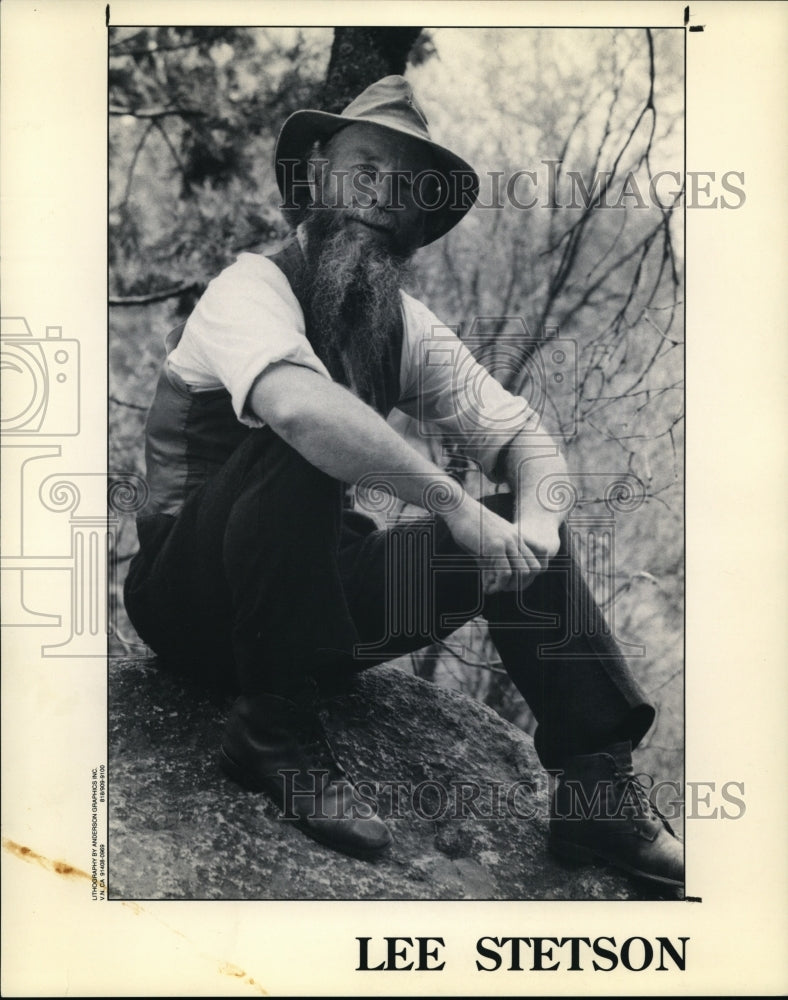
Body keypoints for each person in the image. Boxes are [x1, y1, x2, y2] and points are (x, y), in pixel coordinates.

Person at [124, 76, 683, 888]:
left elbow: (526, 438)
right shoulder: (249, 288)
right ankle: (274, 736)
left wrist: (527, 529)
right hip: (191, 601)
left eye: (409, 186)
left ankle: (595, 792)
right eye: (364, 169)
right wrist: (453, 506)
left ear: (422, 220)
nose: (382, 197)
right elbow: (300, 412)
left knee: (521, 531)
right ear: (317, 174)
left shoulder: (407, 327)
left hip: (309, 609)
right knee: (311, 426)